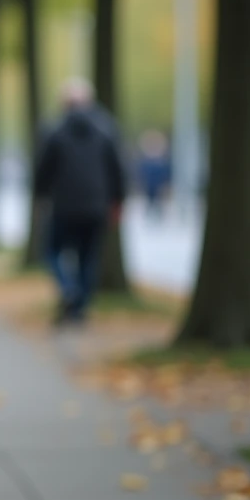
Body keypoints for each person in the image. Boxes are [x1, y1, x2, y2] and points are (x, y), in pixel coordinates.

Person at [33, 77, 126, 326]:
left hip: (64, 206)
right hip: (96, 206)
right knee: (88, 258)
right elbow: (118, 169)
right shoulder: (106, 129)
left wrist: (40, 196)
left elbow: (43, 170)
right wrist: (118, 201)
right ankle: (80, 308)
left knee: (52, 251)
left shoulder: (54, 130)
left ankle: (68, 288)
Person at [136, 129, 171, 220]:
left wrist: (165, 184)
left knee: (158, 202)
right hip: (149, 186)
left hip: (158, 186)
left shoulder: (161, 162)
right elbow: (141, 174)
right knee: (150, 202)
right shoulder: (146, 161)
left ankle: (158, 216)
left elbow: (165, 174)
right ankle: (150, 216)